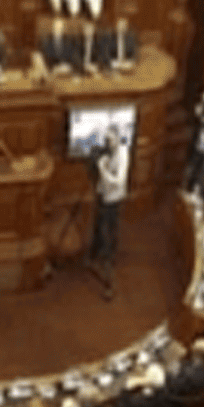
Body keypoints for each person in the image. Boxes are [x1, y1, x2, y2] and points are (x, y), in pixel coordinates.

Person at [88, 126, 128, 299]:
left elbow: (118, 181)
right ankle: (94, 255)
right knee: (98, 225)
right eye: (106, 140)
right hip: (102, 195)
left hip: (113, 200)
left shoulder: (123, 155)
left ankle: (108, 265)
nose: (107, 144)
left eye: (110, 140)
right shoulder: (108, 152)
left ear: (118, 140)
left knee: (108, 231)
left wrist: (102, 169)